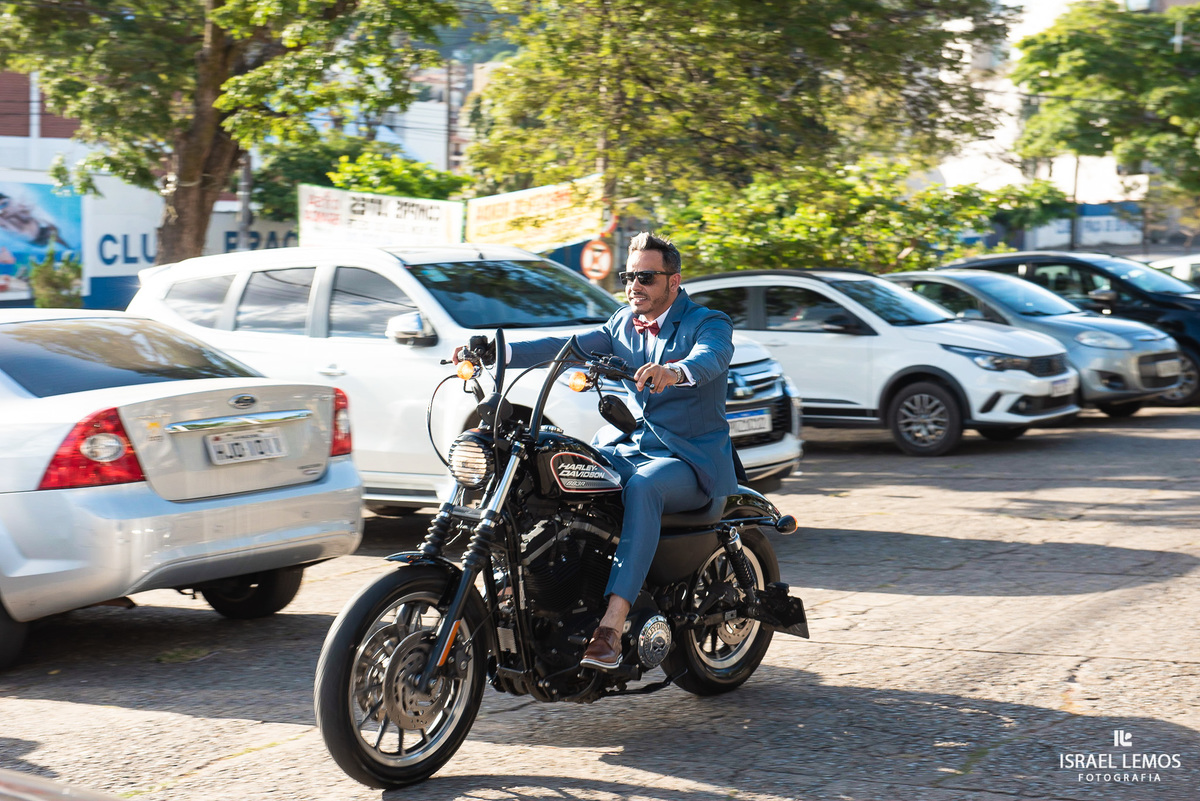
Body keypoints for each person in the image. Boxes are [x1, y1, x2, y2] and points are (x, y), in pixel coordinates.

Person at [456, 232, 737, 670]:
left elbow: (711, 358)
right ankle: (531, 586)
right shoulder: (623, 323)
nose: (634, 285)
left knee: (643, 488)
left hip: (689, 459)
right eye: (629, 276)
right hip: (631, 445)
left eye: (646, 276)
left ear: (673, 281)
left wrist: (674, 372)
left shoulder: (708, 322)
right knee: (557, 468)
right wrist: (498, 350)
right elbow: (565, 347)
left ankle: (612, 624)